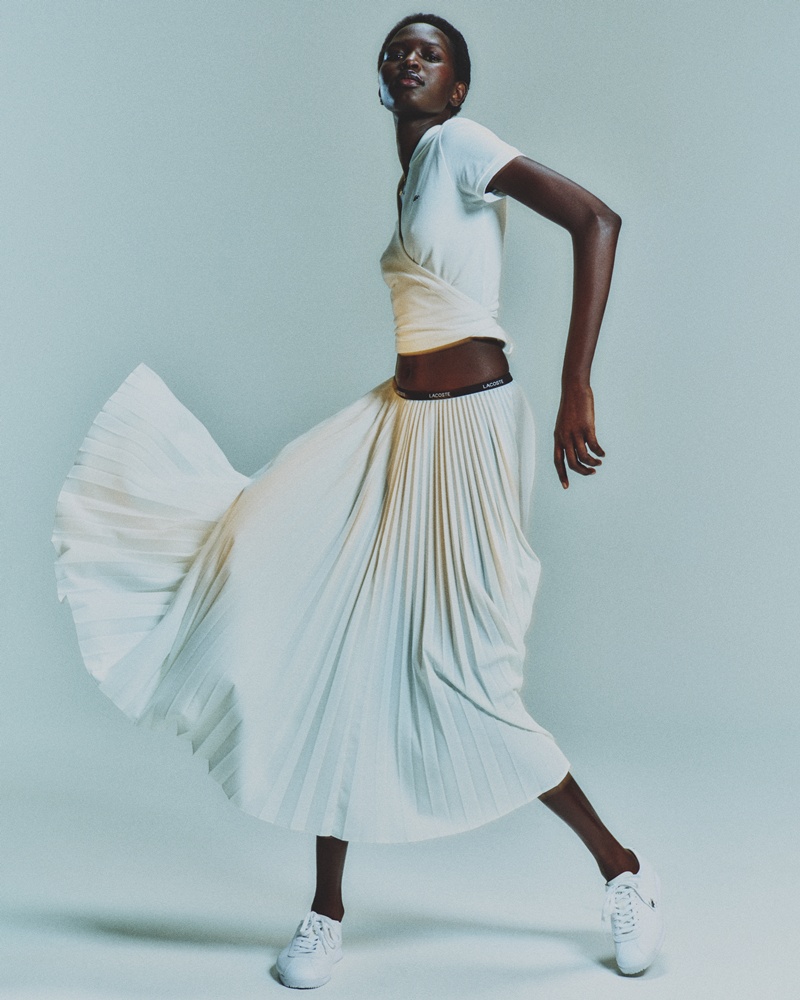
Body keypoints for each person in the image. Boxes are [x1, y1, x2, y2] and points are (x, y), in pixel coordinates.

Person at [51, 12, 664, 992]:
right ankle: (326, 911)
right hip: (400, 428)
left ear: (457, 86)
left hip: (468, 436)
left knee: (471, 675)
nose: (407, 59)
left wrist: (575, 385)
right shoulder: (412, 173)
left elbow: (597, 221)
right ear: (383, 81)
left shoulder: (461, 145)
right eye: (396, 51)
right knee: (337, 639)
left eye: (429, 52)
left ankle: (622, 871)